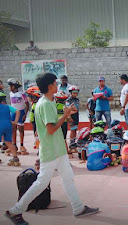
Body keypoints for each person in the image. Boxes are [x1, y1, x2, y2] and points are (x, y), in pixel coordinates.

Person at [5, 72, 99, 225]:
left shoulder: (49, 102)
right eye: (55, 83)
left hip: (58, 150)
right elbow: (51, 129)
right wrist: (66, 114)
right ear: (50, 86)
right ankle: (15, 211)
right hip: (51, 151)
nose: (58, 85)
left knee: (67, 178)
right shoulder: (46, 104)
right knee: (41, 182)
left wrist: (67, 113)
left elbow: (55, 121)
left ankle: (78, 207)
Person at [7, 79, 30, 154]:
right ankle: (14, 145)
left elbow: (27, 104)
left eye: (10, 86)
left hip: (21, 112)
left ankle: (22, 145)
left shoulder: (22, 94)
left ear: (13, 86)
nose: (9, 87)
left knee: (21, 129)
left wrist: (25, 114)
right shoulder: (10, 93)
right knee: (13, 129)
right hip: (13, 113)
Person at [0, 92, 20, 166]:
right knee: (8, 142)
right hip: (8, 124)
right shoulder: (7, 106)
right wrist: (15, 121)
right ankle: (15, 157)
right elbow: (17, 111)